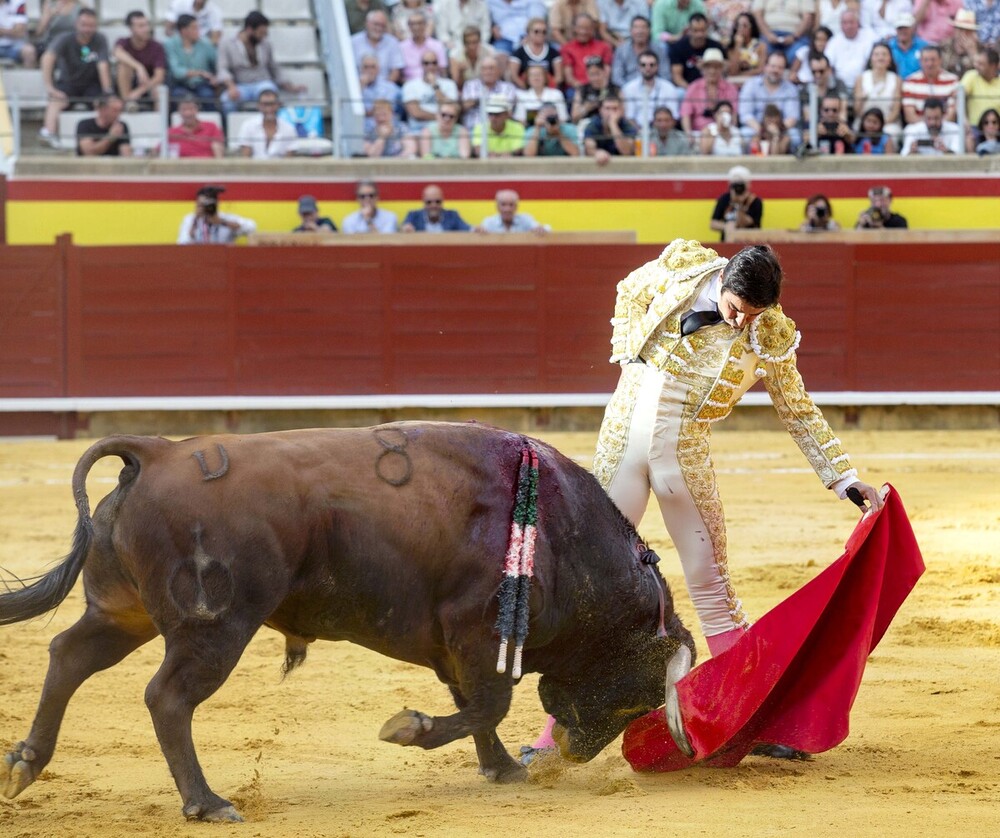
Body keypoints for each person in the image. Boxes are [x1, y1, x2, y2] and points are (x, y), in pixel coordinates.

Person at [523, 239, 883, 759]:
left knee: (712, 585)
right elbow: (628, 290)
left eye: (755, 315)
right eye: (738, 309)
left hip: (682, 457)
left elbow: (797, 409)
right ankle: (548, 742)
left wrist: (843, 478)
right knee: (592, 594)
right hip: (622, 443)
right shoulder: (684, 267)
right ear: (725, 284)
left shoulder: (771, 333)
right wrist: (630, 352)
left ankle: (749, 724)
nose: (743, 324)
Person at [39, 9, 112, 147]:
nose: (87, 29)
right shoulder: (65, 39)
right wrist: (50, 88)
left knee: (103, 103)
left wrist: (107, 91)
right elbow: (47, 58)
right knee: (56, 101)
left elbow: (103, 66)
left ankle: (101, 136)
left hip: (92, 84)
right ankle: (49, 132)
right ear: (76, 24)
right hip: (68, 84)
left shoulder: (100, 39)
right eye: (84, 25)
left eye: (91, 25)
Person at [218, 12, 305, 114]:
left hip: (263, 83)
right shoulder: (227, 43)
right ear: (250, 29)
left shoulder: (266, 44)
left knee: (269, 98)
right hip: (241, 85)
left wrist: (290, 86)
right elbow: (222, 69)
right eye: (260, 33)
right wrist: (231, 86)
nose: (263, 36)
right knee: (226, 100)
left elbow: (274, 68)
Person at [737, 51, 801, 148]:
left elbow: (792, 117)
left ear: (784, 70)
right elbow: (745, 114)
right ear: (765, 67)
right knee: (744, 134)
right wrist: (762, 130)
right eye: (773, 66)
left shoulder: (790, 89)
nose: (775, 70)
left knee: (795, 136)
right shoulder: (751, 85)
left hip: (781, 129)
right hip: (755, 128)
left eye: (780, 68)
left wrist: (777, 131)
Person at [113, 10, 167, 111]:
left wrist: (139, 91)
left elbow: (159, 76)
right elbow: (117, 52)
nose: (146, 29)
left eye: (146, 25)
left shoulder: (156, 46)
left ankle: (159, 119)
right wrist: (139, 67)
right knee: (123, 66)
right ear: (131, 28)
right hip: (129, 83)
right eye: (141, 26)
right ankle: (127, 103)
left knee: (159, 89)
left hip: (148, 86)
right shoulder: (123, 42)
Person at [679, 46, 739, 135]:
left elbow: (734, 114)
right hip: (698, 133)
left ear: (722, 69)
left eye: (716, 67)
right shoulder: (694, 87)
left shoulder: (730, 88)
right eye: (708, 67)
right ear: (703, 69)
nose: (712, 71)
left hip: (724, 133)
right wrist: (688, 133)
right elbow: (685, 113)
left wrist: (731, 133)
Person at [165, 14, 218, 107]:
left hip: (201, 84)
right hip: (179, 84)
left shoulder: (205, 44)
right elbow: (176, 71)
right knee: (178, 96)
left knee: (208, 96)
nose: (198, 31)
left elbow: (217, 62)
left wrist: (215, 77)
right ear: (183, 31)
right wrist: (200, 73)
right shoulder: (170, 44)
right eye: (194, 28)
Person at [402, 49, 460, 133]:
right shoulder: (410, 85)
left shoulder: (449, 84)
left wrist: (435, 86)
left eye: (434, 63)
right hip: (419, 128)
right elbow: (415, 113)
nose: (430, 66)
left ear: (438, 64)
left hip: (445, 128)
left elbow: (452, 108)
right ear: (421, 65)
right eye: (426, 63)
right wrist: (442, 117)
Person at [620, 49, 682, 126]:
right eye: (643, 65)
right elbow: (628, 116)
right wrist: (640, 133)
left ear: (657, 66)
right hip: (635, 132)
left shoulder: (668, 88)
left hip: (661, 132)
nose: (647, 68)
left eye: (651, 65)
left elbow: (673, 116)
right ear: (638, 67)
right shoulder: (628, 88)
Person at [177, 185, 257, 244]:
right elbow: (183, 242)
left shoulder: (225, 218)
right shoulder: (191, 219)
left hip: (224, 259)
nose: (207, 208)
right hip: (199, 259)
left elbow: (251, 227)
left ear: (216, 204)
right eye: (202, 205)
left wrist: (223, 223)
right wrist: (195, 221)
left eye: (209, 205)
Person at [823, 8, 877, 90]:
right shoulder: (834, 41)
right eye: (845, 23)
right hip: (839, 86)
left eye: (851, 22)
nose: (848, 26)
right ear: (840, 25)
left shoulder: (870, 37)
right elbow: (827, 65)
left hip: (865, 85)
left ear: (858, 23)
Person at [853, 42, 902, 132]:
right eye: (876, 54)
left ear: (890, 59)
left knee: (889, 132)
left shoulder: (896, 79)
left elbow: (895, 111)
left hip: (888, 123)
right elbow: (857, 110)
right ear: (871, 59)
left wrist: (880, 124)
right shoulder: (861, 78)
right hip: (864, 123)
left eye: (884, 54)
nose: (880, 58)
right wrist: (869, 124)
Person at [561, 13, 615, 92]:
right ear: (574, 28)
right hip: (577, 88)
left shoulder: (604, 47)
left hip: (601, 87)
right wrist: (584, 89)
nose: (583, 32)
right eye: (580, 28)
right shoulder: (567, 48)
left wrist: (598, 87)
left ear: (593, 29)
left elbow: (607, 72)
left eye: (587, 28)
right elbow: (569, 78)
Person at [668, 12, 724, 89]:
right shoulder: (678, 47)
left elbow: (724, 70)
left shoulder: (716, 47)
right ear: (689, 30)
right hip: (687, 87)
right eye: (696, 31)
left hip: (713, 87)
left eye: (702, 30)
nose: (699, 35)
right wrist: (692, 91)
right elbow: (677, 77)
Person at [236, 90, 297, 159]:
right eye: (265, 104)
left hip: (280, 168)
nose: (269, 108)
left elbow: (289, 161)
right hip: (254, 168)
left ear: (278, 105)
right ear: (258, 106)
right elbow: (245, 158)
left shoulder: (289, 128)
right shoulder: (248, 126)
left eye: (272, 104)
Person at [460, 55, 517, 128]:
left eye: (491, 68)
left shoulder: (508, 87)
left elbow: (507, 110)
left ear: (498, 70)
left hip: (498, 130)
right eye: (484, 69)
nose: (488, 72)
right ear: (480, 71)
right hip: (472, 130)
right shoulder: (470, 85)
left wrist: (477, 101)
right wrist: (495, 101)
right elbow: (465, 106)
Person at [612, 14, 669, 86]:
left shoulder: (659, 49)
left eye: (643, 27)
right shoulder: (621, 50)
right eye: (636, 27)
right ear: (630, 31)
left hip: (655, 89)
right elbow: (617, 77)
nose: (640, 31)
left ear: (649, 30)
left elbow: (665, 75)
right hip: (628, 90)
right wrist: (629, 89)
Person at [710, 165, 762, 240]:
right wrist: (726, 226)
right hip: (728, 241)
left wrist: (739, 204)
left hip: (748, 242)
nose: (738, 188)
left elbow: (746, 223)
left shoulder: (755, 201)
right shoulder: (724, 199)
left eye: (741, 184)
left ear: (748, 184)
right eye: (736, 185)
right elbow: (713, 223)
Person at [351, 9, 404, 84]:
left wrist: (385, 89)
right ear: (367, 23)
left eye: (383, 26)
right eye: (376, 24)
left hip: (385, 87)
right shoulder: (353, 42)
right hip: (359, 86)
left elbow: (396, 70)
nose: (379, 28)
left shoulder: (392, 42)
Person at [507, 16, 563, 87]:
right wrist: (529, 90)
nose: (541, 34)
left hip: (548, 91)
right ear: (528, 32)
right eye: (536, 31)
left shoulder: (554, 53)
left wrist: (545, 91)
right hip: (525, 91)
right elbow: (514, 76)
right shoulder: (518, 53)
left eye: (544, 32)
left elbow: (559, 77)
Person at [583, 94, 637, 163]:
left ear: (621, 111)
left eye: (615, 109)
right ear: (600, 110)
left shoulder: (627, 126)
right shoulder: (593, 125)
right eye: (607, 108)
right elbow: (589, 148)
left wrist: (613, 124)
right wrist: (596, 153)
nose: (611, 112)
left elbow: (626, 151)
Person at [570, 54, 620, 122]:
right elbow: (574, 117)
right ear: (587, 74)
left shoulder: (615, 89)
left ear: (604, 71)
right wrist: (586, 108)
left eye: (597, 73)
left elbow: (623, 112)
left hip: (611, 122)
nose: (595, 78)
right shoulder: (582, 90)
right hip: (587, 123)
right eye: (591, 74)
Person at [401, 184, 472, 232]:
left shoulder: (452, 215)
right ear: (424, 203)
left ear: (442, 202)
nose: (433, 205)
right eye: (429, 202)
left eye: (437, 202)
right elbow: (404, 228)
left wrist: (476, 229)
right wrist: (406, 228)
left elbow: (467, 229)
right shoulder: (414, 216)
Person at [399, 11, 447, 82]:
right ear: (408, 27)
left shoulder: (437, 45)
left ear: (425, 25)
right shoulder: (401, 47)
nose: (416, 27)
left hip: (434, 83)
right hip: (411, 85)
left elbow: (443, 71)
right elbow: (400, 75)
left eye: (419, 23)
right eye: (413, 24)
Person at [475, 188, 549, 233]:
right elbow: (476, 233)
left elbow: (546, 229)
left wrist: (540, 229)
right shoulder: (489, 222)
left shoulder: (526, 219)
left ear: (516, 207)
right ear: (497, 207)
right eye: (503, 204)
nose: (507, 209)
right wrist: (478, 231)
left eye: (511, 205)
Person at [960, 47, 1000, 129]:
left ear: (993, 66)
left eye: (981, 64)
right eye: (976, 63)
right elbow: (959, 97)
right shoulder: (971, 76)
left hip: (997, 128)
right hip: (975, 128)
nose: (976, 66)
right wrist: (963, 119)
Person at [448, 24, 497, 89]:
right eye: (468, 43)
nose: (472, 46)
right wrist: (461, 72)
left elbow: (495, 77)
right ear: (464, 43)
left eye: (475, 42)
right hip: (465, 90)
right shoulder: (455, 55)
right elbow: (457, 85)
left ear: (480, 41)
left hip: (486, 88)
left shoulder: (489, 52)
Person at [941, 9, 981, 77]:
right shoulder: (944, 45)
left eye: (967, 30)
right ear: (955, 30)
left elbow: (983, 73)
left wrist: (973, 53)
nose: (963, 33)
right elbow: (941, 69)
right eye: (960, 29)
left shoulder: (980, 48)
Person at [889, 13, 928, 81]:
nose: (903, 31)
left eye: (906, 28)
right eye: (900, 28)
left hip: (917, 85)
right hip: (894, 84)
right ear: (896, 30)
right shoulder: (888, 47)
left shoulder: (924, 47)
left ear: (913, 29)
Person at [726, 11, 766, 78]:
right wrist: (737, 46)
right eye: (738, 25)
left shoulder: (761, 46)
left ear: (752, 27)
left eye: (745, 26)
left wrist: (740, 75)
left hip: (754, 81)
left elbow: (760, 70)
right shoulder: (731, 46)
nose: (740, 28)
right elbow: (733, 72)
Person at [0, 0, 37, 68]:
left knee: (29, 51)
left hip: (15, 46)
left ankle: (27, 77)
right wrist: (11, 31)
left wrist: (2, 31)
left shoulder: (18, 2)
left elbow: (20, 32)